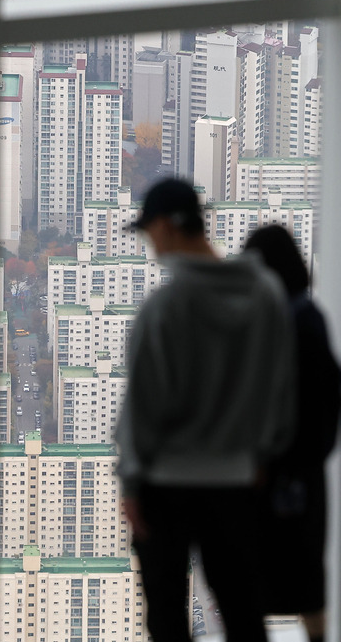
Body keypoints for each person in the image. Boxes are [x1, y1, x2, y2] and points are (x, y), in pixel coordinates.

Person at [116, 178, 297, 642]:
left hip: (166, 484)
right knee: (241, 606)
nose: (150, 244)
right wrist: (261, 457)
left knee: (168, 616)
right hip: (237, 481)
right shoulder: (266, 296)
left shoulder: (166, 307)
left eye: (149, 232)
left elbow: (143, 408)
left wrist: (132, 483)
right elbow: (281, 393)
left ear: (164, 227)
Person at [245, 225, 340, 642]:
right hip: (301, 472)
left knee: (270, 575)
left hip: (280, 472)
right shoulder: (304, 315)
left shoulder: (290, 320)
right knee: (303, 575)